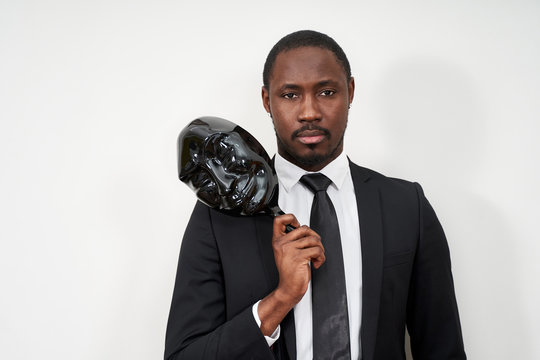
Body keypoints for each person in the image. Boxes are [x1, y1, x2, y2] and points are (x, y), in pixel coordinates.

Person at [165, 30, 466, 360]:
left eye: (326, 91)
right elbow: (183, 355)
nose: (309, 112)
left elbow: (443, 350)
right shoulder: (217, 216)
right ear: (267, 100)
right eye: (290, 95)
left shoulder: (407, 206)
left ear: (350, 91)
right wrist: (279, 300)